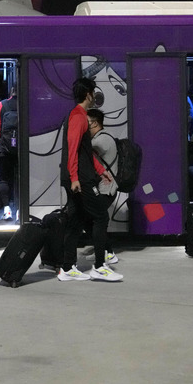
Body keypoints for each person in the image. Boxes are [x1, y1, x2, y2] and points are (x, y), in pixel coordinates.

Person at [60, 78, 122, 282]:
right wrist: (75, 178)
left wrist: (101, 169)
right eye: (94, 92)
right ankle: (99, 266)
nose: (95, 95)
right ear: (88, 94)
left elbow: (86, 152)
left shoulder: (79, 115)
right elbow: (73, 149)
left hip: (81, 175)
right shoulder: (78, 117)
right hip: (81, 179)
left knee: (76, 221)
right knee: (101, 217)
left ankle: (67, 268)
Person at [87, 108, 119, 266]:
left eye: (86, 123)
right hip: (106, 188)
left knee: (96, 220)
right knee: (94, 220)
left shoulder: (100, 141)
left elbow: (85, 154)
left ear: (94, 123)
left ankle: (109, 253)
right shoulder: (104, 138)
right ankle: (105, 250)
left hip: (106, 189)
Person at [0, 85, 18, 221]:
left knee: (4, 178)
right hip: (22, 148)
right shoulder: (26, 103)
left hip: (5, 147)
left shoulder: (2, 105)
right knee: (20, 179)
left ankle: (7, 209)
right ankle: (20, 210)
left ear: (12, 90)